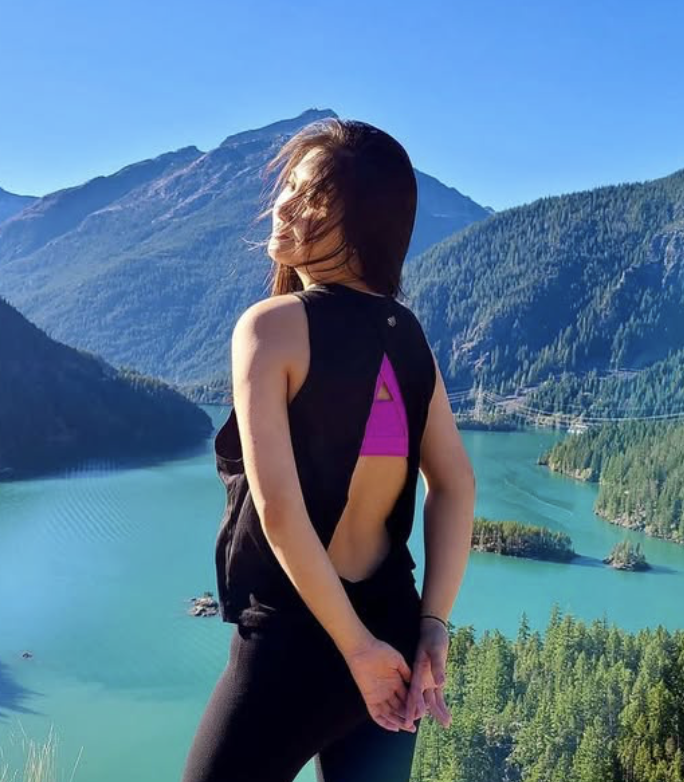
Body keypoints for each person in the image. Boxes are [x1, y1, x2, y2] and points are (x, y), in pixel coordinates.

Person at [181, 117, 476, 782]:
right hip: (394, 628)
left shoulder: (271, 328)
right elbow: (456, 485)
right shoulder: (408, 335)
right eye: (288, 186)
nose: (284, 205)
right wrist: (432, 623)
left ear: (364, 223)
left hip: (296, 643)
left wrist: (355, 650)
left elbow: (280, 513)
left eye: (312, 197)